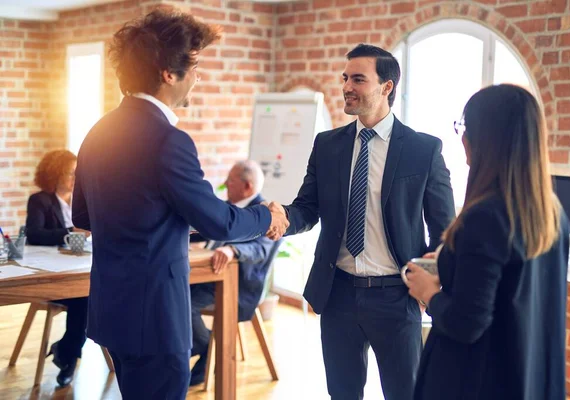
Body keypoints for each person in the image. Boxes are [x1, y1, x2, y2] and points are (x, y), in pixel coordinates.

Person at [72, 9, 287, 400]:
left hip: (111, 311)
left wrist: (163, 222)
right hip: (155, 319)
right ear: (169, 73)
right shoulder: (169, 140)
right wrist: (267, 215)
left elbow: (82, 216)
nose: (197, 77)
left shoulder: (97, 133)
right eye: (195, 66)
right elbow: (220, 221)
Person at [267, 44, 455, 399]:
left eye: (358, 79)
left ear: (386, 87)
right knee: (342, 393)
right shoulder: (327, 145)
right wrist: (281, 217)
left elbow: (445, 229)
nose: (346, 87)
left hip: (397, 297)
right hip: (337, 294)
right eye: (345, 78)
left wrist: (426, 284)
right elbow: (308, 208)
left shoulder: (423, 150)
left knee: (405, 393)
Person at [405, 84, 570, 400]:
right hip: (524, 376)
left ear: (483, 140)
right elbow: (511, 291)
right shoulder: (552, 212)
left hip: (475, 380)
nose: (462, 138)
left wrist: (429, 292)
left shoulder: (485, 216)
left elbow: (467, 322)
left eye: (464, 127)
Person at [188, 160, 282, 386]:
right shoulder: (229, 205)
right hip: (212, 277)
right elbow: (205, 229)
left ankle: (208, 348)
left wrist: (232, 249)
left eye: (230, 181)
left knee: (182, 301)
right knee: (169, 291)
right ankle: (189, 351)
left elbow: (260, 248)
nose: (225, 185)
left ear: (247, 187)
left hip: (238, 287)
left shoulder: (266, 213)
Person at [25, 149, 90, 387]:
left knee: (91, 293)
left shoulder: (81, 201)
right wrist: (70, 232)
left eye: (77, 173)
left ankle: (65, 349)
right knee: (84, 297)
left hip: (79, 265)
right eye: (71, 173)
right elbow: (34, 234)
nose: (75, 178)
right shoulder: (39, 200)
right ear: (56, 174)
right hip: (53, 275)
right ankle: (68, 356)